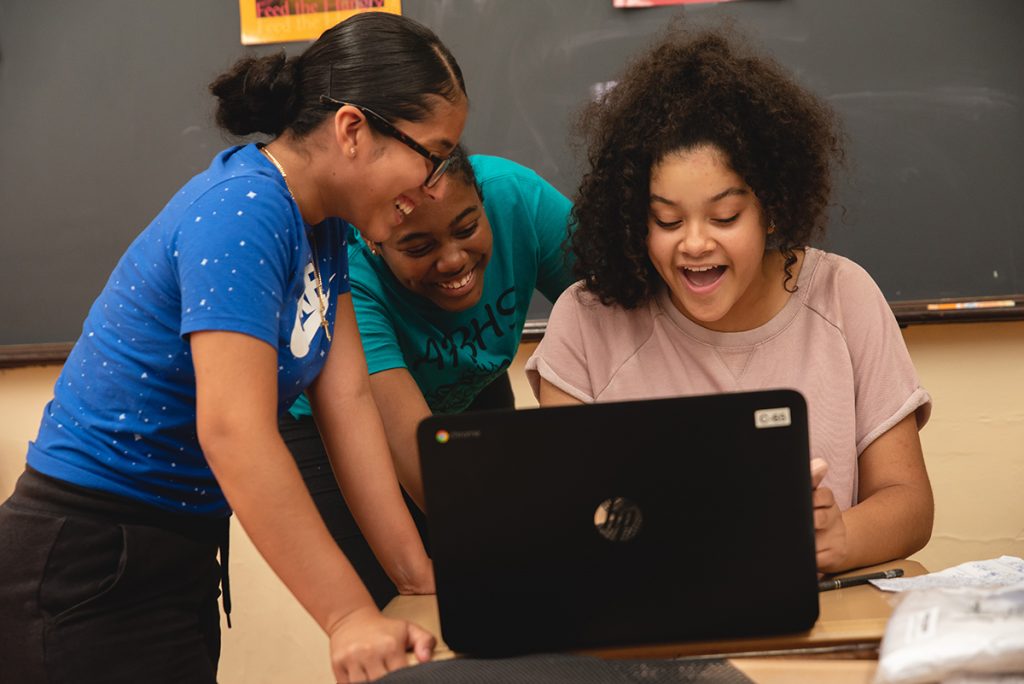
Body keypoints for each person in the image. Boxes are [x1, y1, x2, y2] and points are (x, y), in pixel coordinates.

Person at [0, 12, 468, 684]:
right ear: (353, 129)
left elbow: (349, 402)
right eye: (433, 152)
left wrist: (418, 581)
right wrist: (345, 617)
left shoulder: (324, 229)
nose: (433, 183)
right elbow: (233, 431)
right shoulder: (244, 209)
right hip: (88, 561)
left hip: (176, 556)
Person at [526, 25, 935, 574]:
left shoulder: (844, 297)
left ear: (772, 206)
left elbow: (909, 502)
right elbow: (565, 517)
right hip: (646, 624)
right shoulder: (586, 320)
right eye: (666, 219)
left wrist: (841, 537)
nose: (695, 243)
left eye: (725, 217)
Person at [283, 144, 575, 606]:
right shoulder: (349, 277)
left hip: (467, 386)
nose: (454, 260)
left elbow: (628, 302)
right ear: (374, 240)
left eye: (468, 228)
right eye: (419, 247)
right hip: (331, 427)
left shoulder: (513, 196)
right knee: (419, 597)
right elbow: (424, 464)